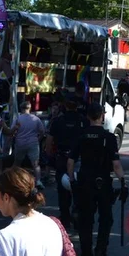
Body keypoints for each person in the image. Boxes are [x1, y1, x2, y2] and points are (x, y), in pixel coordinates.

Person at [67, 105, 125, 256]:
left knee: (86, 220)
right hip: (104, 182)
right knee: (106, 219)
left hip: (85, 181)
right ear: (102, 116)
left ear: (88, 117)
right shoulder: (109, 137)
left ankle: (86, 255)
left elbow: (70, 162)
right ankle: (101, 251)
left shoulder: (81, 135)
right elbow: (116, 165)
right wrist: (123, 181)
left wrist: (72, 181)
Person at [45, 97, 85, 228]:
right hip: (79, 158)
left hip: (63, 157)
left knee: (62, 190)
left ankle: (65, 216)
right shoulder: (82, 120)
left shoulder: (58, 121)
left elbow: (49, 140)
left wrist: (50, 153)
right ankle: (78, 212)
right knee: (79, 188)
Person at [6, 100, 45, 185]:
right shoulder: (36, 119)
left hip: (20, 143)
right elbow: (42, 131)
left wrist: (8, 141)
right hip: (33, 143)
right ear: (30, 108)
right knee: (35, 164)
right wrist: (38, 139)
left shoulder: (18, 119)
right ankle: (38, 181)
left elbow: (12, 131)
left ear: (21, 109)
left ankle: (12, 179)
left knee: (17, 162)